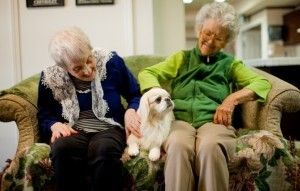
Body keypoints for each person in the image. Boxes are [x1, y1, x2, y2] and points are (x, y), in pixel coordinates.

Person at [137, 2, 271, 191]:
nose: (210, 40)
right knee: (177, 145)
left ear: (227, 42)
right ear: (199, 29)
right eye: (207, 33)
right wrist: (159, 95)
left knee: (210, 147)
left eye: (219, 37)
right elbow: (146, 74)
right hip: (179, 121)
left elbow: (262, 83)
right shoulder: (181, 58)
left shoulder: (229, 64)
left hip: (213, 122)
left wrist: (230, 100)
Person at [37, 26, 141, 191]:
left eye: (88, 60)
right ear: (64, 68)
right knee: (62, 149)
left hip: (108, 127)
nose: (87, 70)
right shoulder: (51, 78)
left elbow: (135, 93)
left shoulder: (111, 62)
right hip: (73, 129)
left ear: (91, 50)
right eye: (77, 68)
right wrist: (54, 124)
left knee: (103, 149)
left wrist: (131, 110)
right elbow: (44, 113)